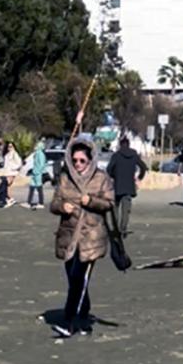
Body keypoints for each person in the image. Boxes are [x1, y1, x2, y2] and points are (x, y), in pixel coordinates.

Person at [49, 138, 114, 338]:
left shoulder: (101, 178)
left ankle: (69, 323)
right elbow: (53, 203)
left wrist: (91, 201)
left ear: (90, 160)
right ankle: (85, 320)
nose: (78, 164)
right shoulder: (65, 178)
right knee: (74, 279)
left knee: (78, 278)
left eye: (82, 161)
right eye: (75, 160)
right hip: (68, 236)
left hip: (91, 236)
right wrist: (62, 207)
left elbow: (110, 203)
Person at [106, 136, 147, 236]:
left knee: (115, 208)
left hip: (117, 185)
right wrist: (139, 177)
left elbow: (109, 169)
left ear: (120, 144)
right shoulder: (134, 155)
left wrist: (113, 176)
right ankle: (123, 228)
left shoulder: (116, 155)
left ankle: (115, 228)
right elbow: (143, 167)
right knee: (126, 209)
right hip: (129, 186)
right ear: (128, 144)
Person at [0, 141, 22, 208]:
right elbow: (6, 165)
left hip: (12, 172)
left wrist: (13, 168)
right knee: (8, 186)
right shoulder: (7, 154)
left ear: (13, 147)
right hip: (7, 172)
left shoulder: (14, 154)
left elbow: (19, 163)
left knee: (7, 185)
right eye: (8, 146)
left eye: (11, 146)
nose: (10, 148)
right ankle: (10, 199)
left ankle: (10, 199)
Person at [26, 140, 47, 210]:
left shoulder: (40, 154)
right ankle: (28, 202)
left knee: (39, 188)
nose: (35, 147)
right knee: (32, 187)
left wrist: (38, 172)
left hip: (38, 174)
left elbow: (41, 165)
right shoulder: (37, 153)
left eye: (37, 145)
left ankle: (41, 202)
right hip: (34, 173)